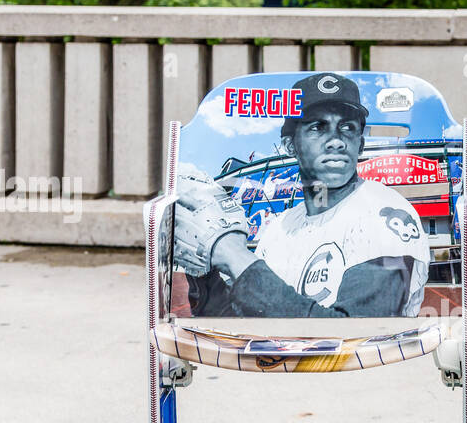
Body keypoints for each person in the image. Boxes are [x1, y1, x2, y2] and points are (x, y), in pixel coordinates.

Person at [179, 73, 430, 318]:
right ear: (291, 146)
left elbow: (354, 336)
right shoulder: (280, 227)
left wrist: (234, 256)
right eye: (317, 127)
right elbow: (245, 323)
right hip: (277, 359)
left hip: (347, 361)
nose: (336, 141)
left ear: (360, 145)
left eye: (347, 128)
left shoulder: (384, 215)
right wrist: (205, 267)